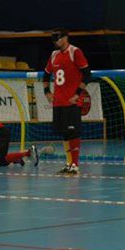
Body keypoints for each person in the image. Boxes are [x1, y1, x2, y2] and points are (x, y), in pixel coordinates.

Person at [42, 29, 91, 175]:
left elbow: (87, 75)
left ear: (66, 38)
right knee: (64, 133)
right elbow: (45, 75)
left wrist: (77, 94)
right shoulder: (54, 55)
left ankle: (75, 165)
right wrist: (47, 92)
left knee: (73, 133)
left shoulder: (74, 52)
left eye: (58, 38)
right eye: (54, 39)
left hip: (72, 101)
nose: (56, 41)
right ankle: (69, 163)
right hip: (59, 102)